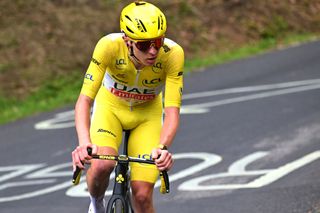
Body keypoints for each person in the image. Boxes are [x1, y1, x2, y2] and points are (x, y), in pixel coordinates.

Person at [71, 1, 184, 213]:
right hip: (110, 109)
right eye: (143, 45)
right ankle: (96, 205)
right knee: (102, 164)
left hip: (147, 116)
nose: (153, 51)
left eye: (158, 42)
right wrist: (84, 143)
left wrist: (163, 148)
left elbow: (172, 111)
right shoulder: (108, 46)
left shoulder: (173, 54)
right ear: (127, 41)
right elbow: (84, 100)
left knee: (141, 196)